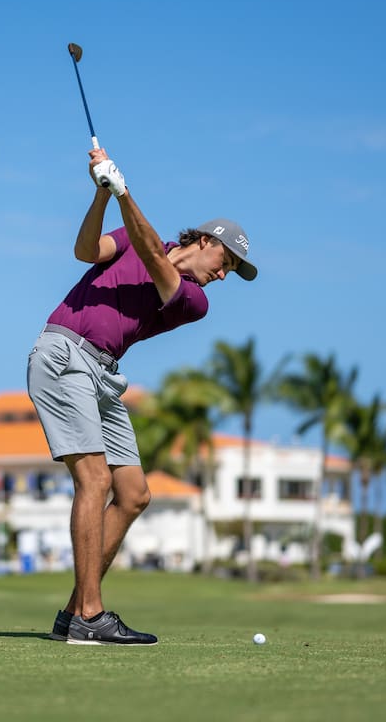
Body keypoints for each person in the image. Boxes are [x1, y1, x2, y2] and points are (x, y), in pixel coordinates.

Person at [27, 147, 257, 646]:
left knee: (133, 494)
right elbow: (87, 252)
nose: (223, 276)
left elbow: (152, 252)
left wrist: (123, 189)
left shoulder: (194, 300)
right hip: (65, 354)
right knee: (94, 479)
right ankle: (90, 614)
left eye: (231, 272)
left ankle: (75, 613)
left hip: (104, 374)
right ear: (203, 240)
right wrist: (101, 194)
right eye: (226, 262)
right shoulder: (137, 242)